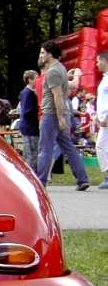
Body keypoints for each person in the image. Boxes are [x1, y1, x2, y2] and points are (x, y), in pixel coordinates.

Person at [35, 41, 89, 190]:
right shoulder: (61, 68)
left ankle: (40, 182)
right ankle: (82, 179)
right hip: (61, 113)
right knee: (69, 147)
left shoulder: (52, 72)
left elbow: (58, 96)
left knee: (44, 149)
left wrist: (60, 118)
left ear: (50, 54)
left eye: (42, 53)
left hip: (51, 114)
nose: (40, 55)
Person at [18, 70, 39, 172]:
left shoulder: (27, 93)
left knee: (32, 152)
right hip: (30, 127)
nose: (38, 80)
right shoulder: (28, 93)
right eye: (36, 78)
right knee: (32, 153)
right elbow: (27, 111)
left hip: (29, 126)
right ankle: (31, 173)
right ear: (30, 80)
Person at [96, 51, 108, 189]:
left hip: (107, 120)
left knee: (100, 146)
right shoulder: (104, 79)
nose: (96, 64)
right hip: (103, 120)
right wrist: (96, 116)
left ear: (105, 61)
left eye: (98, 61)